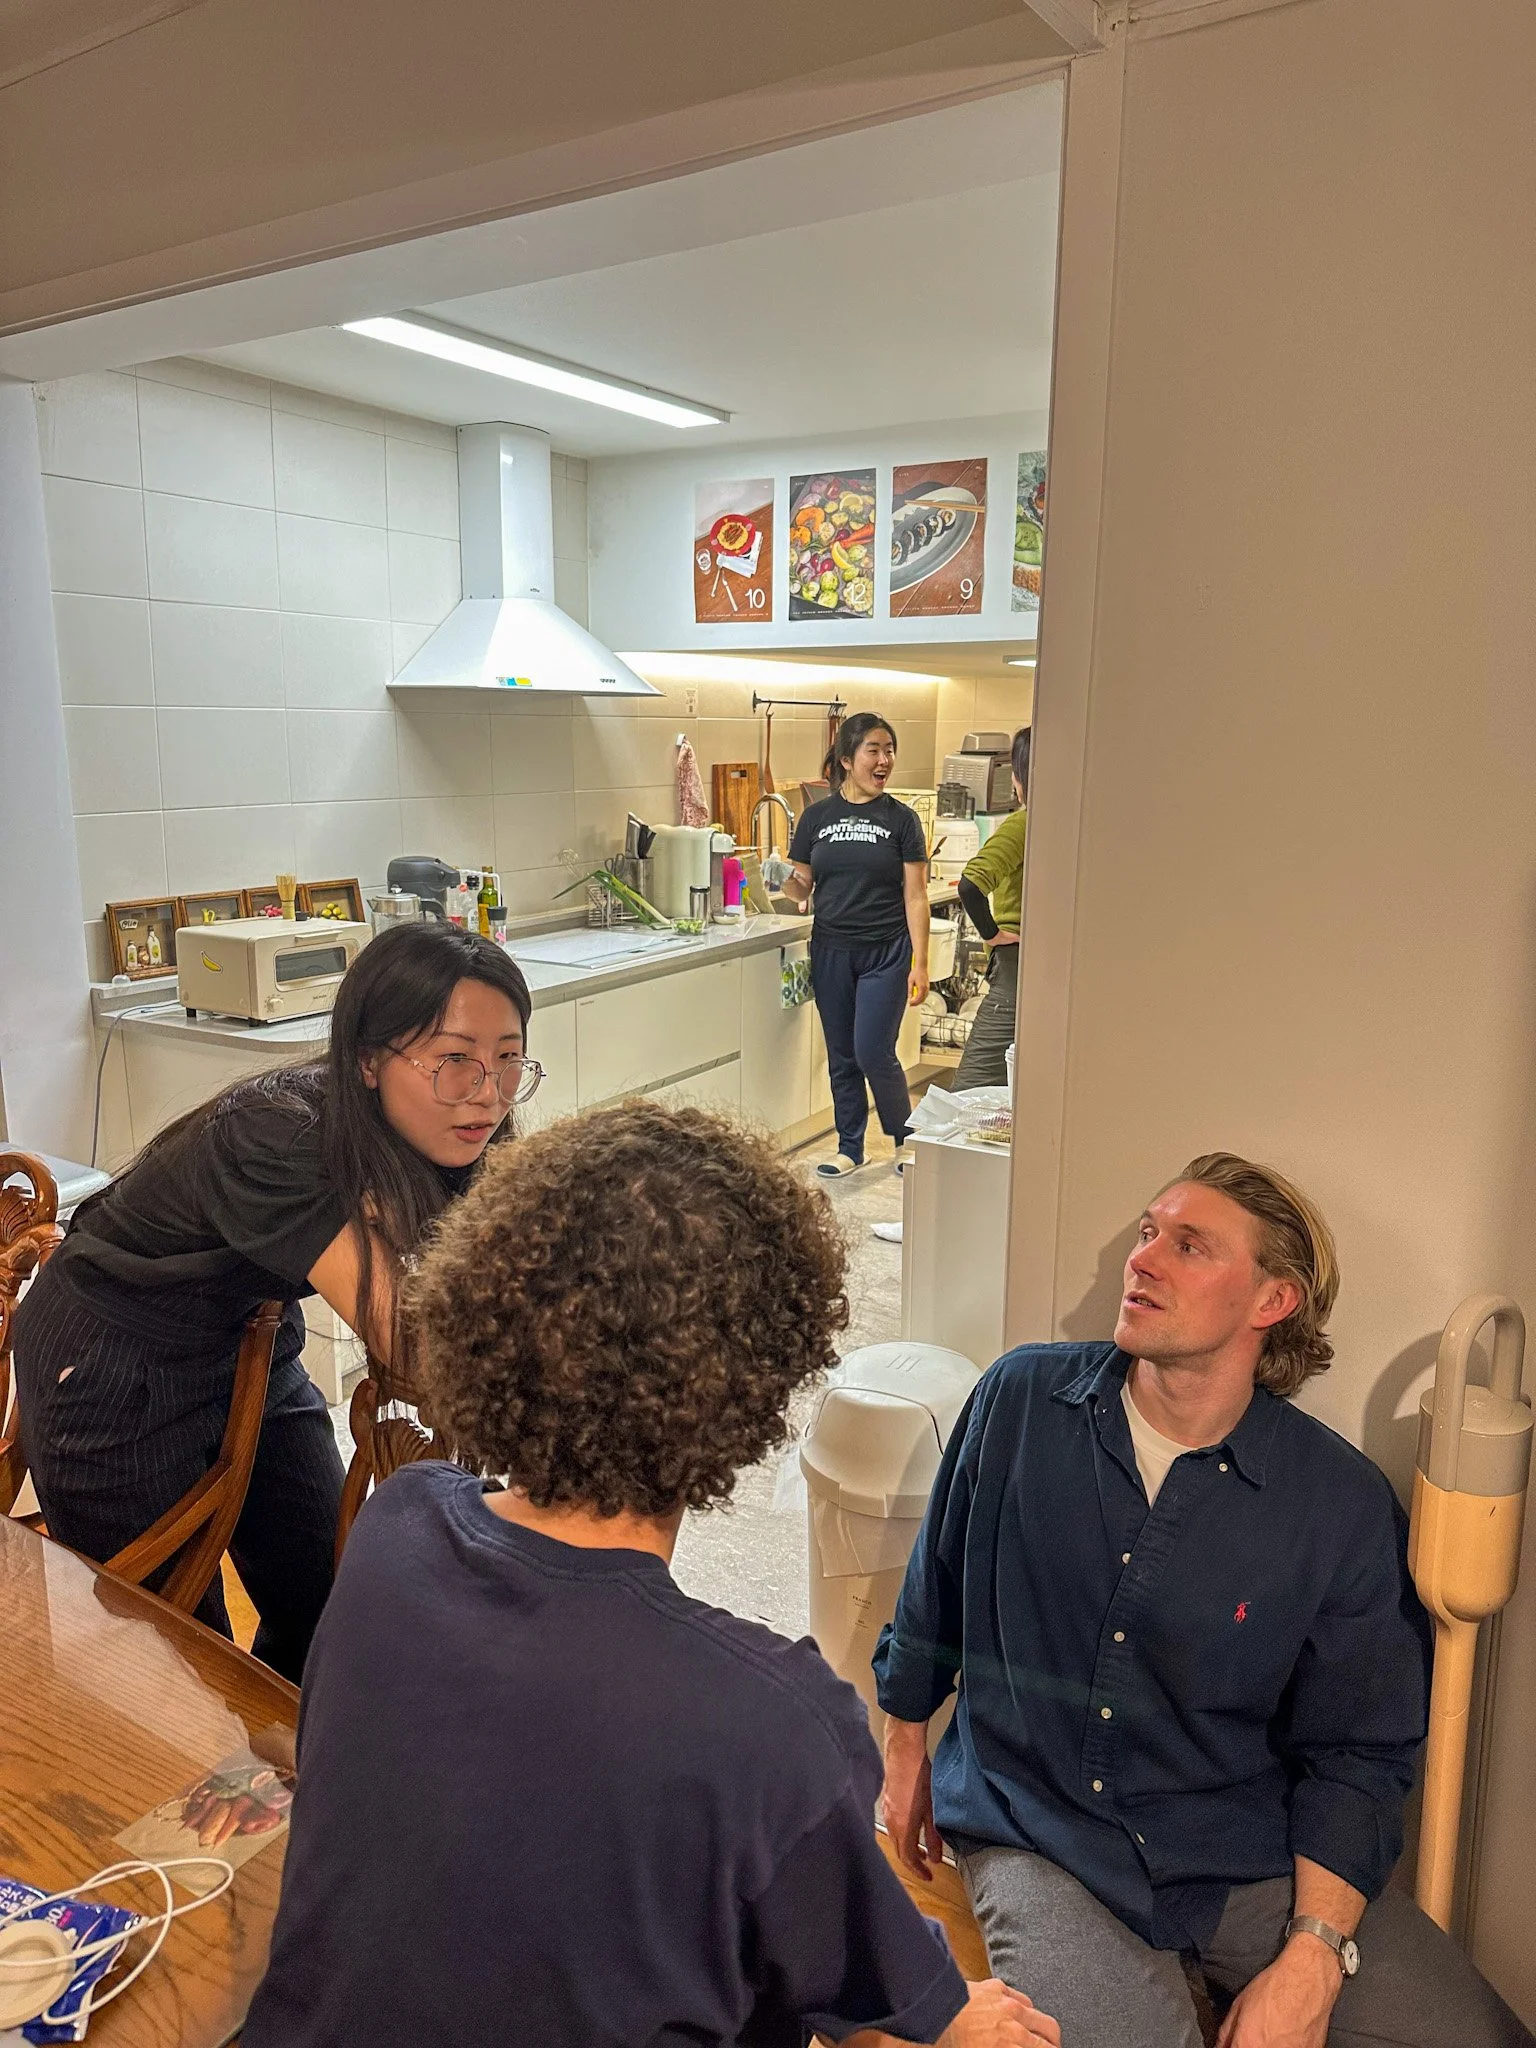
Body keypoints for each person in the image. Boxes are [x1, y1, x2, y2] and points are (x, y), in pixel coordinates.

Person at [241, 1102, 1061, 2048]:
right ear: (747, 1385)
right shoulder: (772, 1721)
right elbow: (889, 1991)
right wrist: (959, 2025)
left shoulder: (399, 1526)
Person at [874, 1152, 1534, 2048]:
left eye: (1189, 1246)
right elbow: (936, 1590)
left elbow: (1359, 1753)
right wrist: (904, 1743)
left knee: (1474, 2037)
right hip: (1039, 1829)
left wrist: (1311, 1957)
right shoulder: (1020, 1400)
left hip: (1235, 1850)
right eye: (1148, 1233)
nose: (1142, 1259)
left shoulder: (1335, 1503)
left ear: (1272, 1302)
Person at [11, 923, 537, 1681]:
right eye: (454, 1058)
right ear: (366, 1060)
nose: (487, 1092)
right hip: (110, 1355)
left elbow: (510, 1263)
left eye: (508, 1057)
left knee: (326, 1592)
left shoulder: (448, 1122)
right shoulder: (278, 1135)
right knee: (171, 1652)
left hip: (249, 1333)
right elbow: (414, 1343)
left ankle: (297, 1764)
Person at [786, 712, 930, 1178]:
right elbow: (801, 890)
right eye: (875, 749)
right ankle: (850, 1145)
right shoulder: (816, 818)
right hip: (830, 949)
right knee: (842, 1054)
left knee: (873, 1050)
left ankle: (905, 1140)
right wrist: (780, 879)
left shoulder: (902, 820)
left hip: (886, 951)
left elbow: (916, 895)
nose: (885, 759)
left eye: (889, 750)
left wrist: (920, 963)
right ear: (847, 759)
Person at [952, 727, 1029, 1093]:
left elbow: (970, 884)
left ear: (1019, 778)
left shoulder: (1024, 824)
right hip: (1042, 967)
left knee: (971, 1089)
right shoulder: (1070, 827)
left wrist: (993, 935)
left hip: (1015, 967)